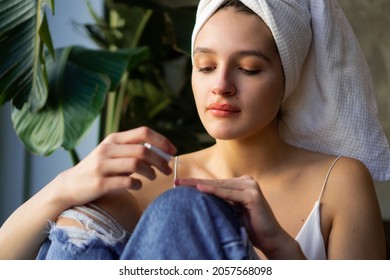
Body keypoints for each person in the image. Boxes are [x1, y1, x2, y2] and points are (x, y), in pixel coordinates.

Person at [0, 0, 389, 260]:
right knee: (81, 224)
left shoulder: (339, 182)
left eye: (249, 68)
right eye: (204, 66)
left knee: (181, 209)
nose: (221, 84)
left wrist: (280, 247)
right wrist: (66, 185)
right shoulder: (149, 178)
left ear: (287, 79)